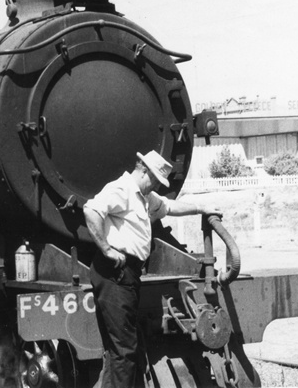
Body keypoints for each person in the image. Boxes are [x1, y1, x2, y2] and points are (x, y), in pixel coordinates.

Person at [83, 150, 222, 388]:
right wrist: (106, 248)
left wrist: (201, 208)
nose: (157, 186)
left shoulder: (145, 196)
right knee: (124, 349)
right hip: (114, 273)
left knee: (121, 348)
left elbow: (169, 206)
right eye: (156, 180)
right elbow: (91, 210)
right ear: (143, 170)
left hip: (128, 275)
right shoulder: (122, 189)